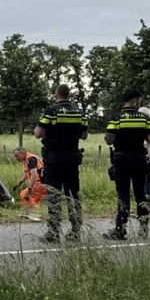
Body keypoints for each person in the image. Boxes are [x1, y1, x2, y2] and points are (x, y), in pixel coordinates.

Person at [34, 83, 88, 242]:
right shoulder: (80, 113)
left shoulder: (51, 111)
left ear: (56, 96)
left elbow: (38, 133)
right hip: (72, 157)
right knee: (73, 195)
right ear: (69, 95)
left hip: (54, 158)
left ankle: (53, 232)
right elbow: (84, 136)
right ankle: (75, 231)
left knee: (54, 195)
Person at [104, 89, 150, 240]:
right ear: (134, 101)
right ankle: (143, 227)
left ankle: (120, 228)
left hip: (121, 160)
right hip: (139, 159)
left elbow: (109, 139)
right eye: (139, 101)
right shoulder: (145, 118)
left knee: (123, 195)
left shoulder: (116, 118)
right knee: (141, 194)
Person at [12, 147, 47, 221]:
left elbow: (34, 174)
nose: (16, 158)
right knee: (32, 199)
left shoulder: (30, 159)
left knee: (24, 194)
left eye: (16, 156)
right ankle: (33, 213)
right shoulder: (27, 159)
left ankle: (32, 213)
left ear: (22, 153)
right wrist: (19, 183)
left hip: (39, 183)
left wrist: (30, 189)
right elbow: (27, 173)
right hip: (44, 183)